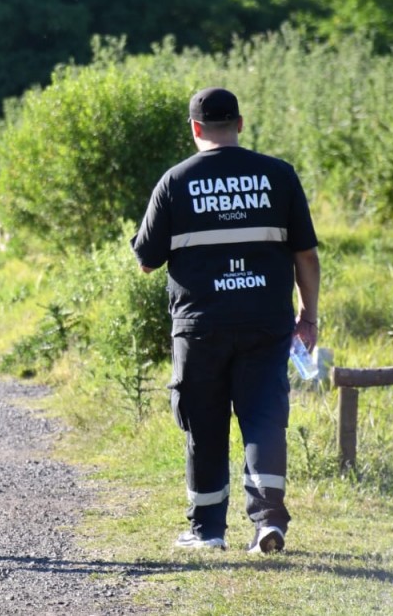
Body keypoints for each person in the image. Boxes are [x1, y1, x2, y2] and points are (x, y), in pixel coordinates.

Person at [131, 87, 320, 554]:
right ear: (239, 123)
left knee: (205, 423)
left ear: (195, 129)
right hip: (266, 322)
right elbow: (307, 257)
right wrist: (308, 315)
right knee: (263, 420)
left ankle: (208, 531)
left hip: (200, 326)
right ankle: (268, 523)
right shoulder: (279, 175)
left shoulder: (175, 181)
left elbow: (147, 261)